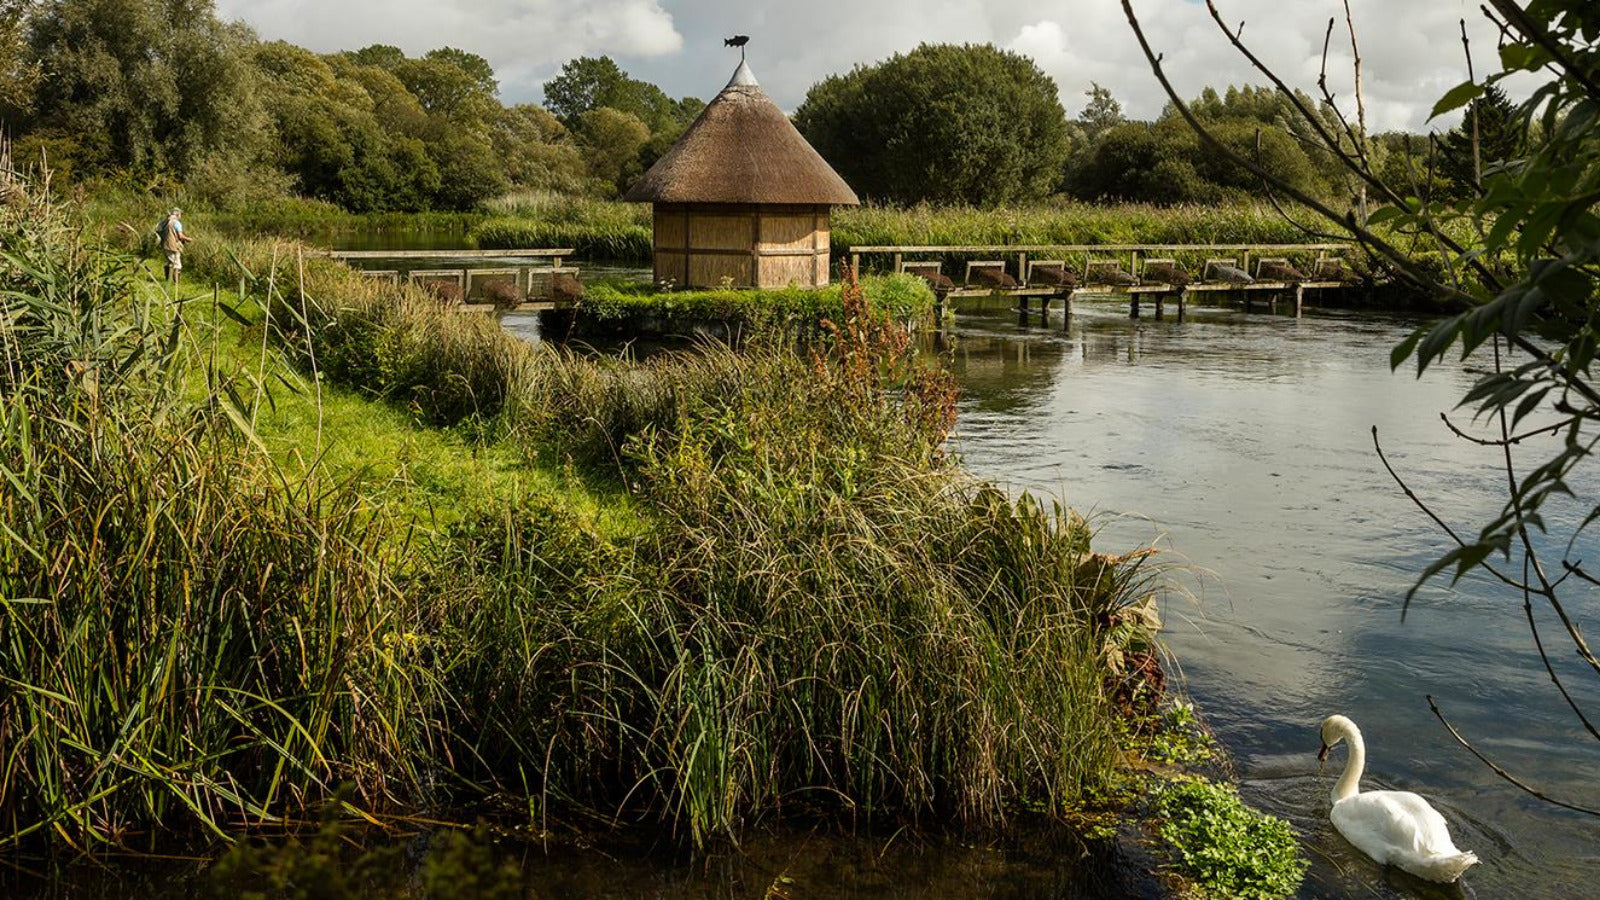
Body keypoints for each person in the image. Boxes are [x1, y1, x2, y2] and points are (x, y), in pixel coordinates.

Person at [157, 207, 193, 284]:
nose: (181, 216)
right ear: (177, 214)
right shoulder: (176, 223)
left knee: (169, 262)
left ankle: (167, 280)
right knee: (177, 264)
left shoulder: (166, 221)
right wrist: (189, 239)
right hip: (173, 246)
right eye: (180, 214)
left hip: (165, 245)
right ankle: (176, 283)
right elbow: (180, 236)